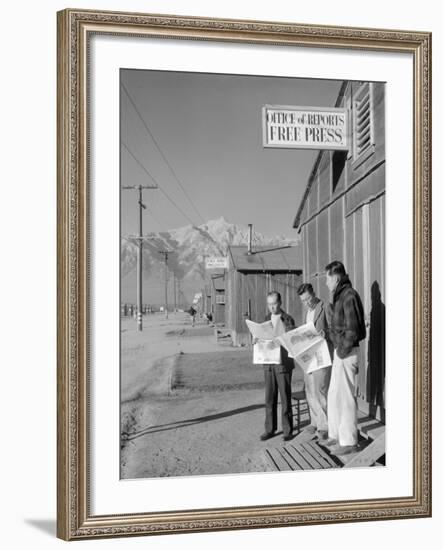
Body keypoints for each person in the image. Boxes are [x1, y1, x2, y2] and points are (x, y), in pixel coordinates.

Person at [321, 261, 366, 456]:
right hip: (340, 351)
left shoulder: (349, 295)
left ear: (336, 278)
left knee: (346, 396)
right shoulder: (340, 295)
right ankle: (335, 434)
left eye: (327, 278)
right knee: (333, 394)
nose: (326, 283)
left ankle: (349, 441)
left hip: (346, 353)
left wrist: (342, 350)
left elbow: (353, 330)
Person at [255, 291, 295, 442]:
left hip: (283, 363)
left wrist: (283, 340)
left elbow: (292, 339)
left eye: (274, 304)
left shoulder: (288, 319)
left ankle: (287, 430)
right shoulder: (265, 320)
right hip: (268, 364)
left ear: (280, 303)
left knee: (285, 397)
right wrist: (256, 340)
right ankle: (270, 429)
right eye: (269, 304)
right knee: (269, 398)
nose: (272, 307)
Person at [297, 283, 333, 441]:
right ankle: (315, 421)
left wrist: (327, 333)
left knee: (320, 390)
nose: (307, 303)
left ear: (314, 293)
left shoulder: (325, 307)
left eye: (308, 299)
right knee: (310, 390)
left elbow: (335, 328)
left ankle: (325, 426)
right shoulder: (307, 312)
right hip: (308, 355)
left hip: (322, 355)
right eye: (303, 301)